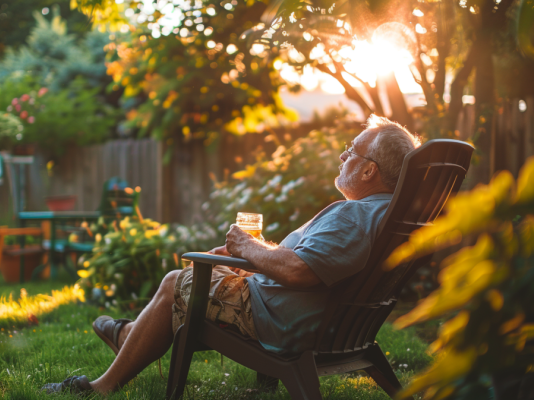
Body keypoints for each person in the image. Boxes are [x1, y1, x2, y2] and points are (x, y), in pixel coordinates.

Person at [42, 115, 421, 395]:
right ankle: (127, 335)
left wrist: (245, 246)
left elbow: (300, 272)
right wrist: (253, 257)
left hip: (280, 321)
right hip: (323, 323)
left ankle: (103, 381)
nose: (342, 155)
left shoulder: (354, 216)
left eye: (351, 151)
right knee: (201, 279)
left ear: (370, 170)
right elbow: (305, 262)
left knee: (178, 282)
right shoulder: (383, 215)